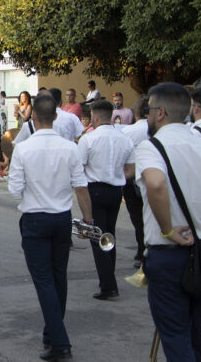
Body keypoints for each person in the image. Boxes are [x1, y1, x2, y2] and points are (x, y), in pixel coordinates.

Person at [8, 94, 93, 361]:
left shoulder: (23, 148)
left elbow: (14, 190)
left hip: (35, 218)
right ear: (55, 117)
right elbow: (80, 186)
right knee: (58, 277)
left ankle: (60, 342)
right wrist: (88, 221)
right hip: (60, 218)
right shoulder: (70, 147)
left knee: (44, 281)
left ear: (33, 117)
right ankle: (52, 334)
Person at [136, 82, 201, 362]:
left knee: (176, 338)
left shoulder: (151, 146)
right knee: (191, 334)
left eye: (149, 109)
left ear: (161, 112)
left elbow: (155, 183)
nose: (147, 115)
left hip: (170, 255)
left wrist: (167, 228)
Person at [77, 100, 135, 300]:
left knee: (97, 237)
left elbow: (80, 169)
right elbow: (131, 169)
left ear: (95, 116)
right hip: (115, 190)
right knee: (109, 235)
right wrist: (116, 176)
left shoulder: (88, 139)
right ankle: (108, 280)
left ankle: (108, 285)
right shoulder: (124, 138)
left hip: (95, 190)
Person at [121, 95, 149, 267]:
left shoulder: (127, 132)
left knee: (138, 219)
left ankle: (141, 250)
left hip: (133, 180)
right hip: (153, 179)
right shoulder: (160, 129)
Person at [14, 89, 83, 144]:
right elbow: (80, 135)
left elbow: (15, 145)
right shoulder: (72, 117)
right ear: (61, 101)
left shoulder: (29, 125)